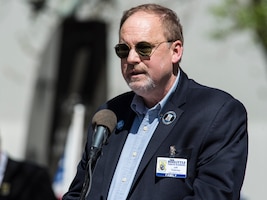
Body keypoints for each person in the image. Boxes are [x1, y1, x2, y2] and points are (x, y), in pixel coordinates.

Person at [63, 3, 248, 200]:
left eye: (143, 48)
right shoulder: (109, 115)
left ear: (175, 51)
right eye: (123, 50)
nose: (132, 58)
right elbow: (78, 194)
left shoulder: (216, 113)